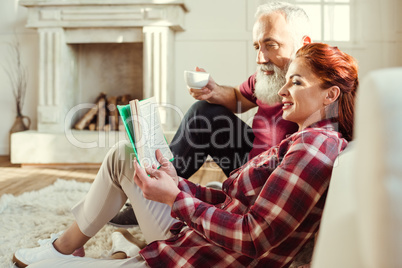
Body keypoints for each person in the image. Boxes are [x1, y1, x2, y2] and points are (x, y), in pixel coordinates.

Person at [13, 42, 358, 268]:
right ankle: (72, 247)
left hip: (199, 256)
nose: (282, 89)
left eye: (296, 82)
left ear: (329, 95)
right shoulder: (305, 141)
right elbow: (228, 197)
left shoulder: (313, 149)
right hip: (196, 241)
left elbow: (253, 236)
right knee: (125, 154)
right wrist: (178, 186)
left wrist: (177, 199)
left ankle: (118, 248)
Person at [110, 0, 312, 227]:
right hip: (250, 159)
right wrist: (213, 91)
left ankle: (177, 195)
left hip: (275, 177)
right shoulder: (268, 74)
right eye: (257, 47)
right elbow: (239, 98)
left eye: (271, 45)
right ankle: (155, 191)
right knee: (204, 112)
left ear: (303, 43)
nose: (260, 58)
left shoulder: (320, 87)